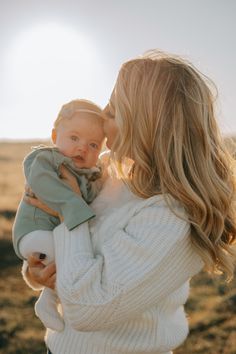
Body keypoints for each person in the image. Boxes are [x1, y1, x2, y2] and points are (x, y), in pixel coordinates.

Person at [22, 50, 236, 354]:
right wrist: (38, 271)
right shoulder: (111, 172)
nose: (102, 122)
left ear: (144, 121)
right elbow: (73, 253)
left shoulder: (172, 215)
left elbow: (87, 308)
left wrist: (71, 207)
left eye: (111, 112)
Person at [12, 99, 105, 332]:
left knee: (67, 260)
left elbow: (90, 195)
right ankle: (49, 301)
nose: (82, 147)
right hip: (35, 232)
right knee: (69, 257)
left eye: (93, 145)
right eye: (74, 138)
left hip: (48, 237)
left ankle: (48, 300)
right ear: (55, 136)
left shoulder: (88, 174)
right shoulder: (46, 159)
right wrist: (76, 208)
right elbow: (45, 185)